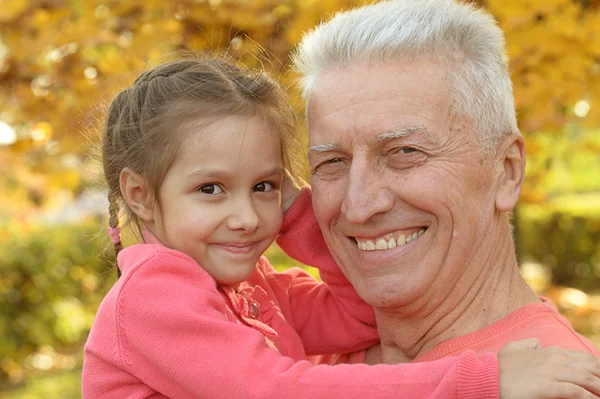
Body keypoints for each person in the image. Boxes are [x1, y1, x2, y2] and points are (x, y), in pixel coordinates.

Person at [81, 56, 600, 398]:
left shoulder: (254, 288)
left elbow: (362, 316)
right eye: (211, 189)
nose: (245, 218)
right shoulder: (151, 298)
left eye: (264, 187)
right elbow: (279, 391)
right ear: (141, 196)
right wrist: (485, 380)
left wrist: (299, 216)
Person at [291, 0, 600, 382]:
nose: (358, 207)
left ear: (507, 171)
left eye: (405, 152)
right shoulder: (284, 360)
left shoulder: (563, 384)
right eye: (332, 162)